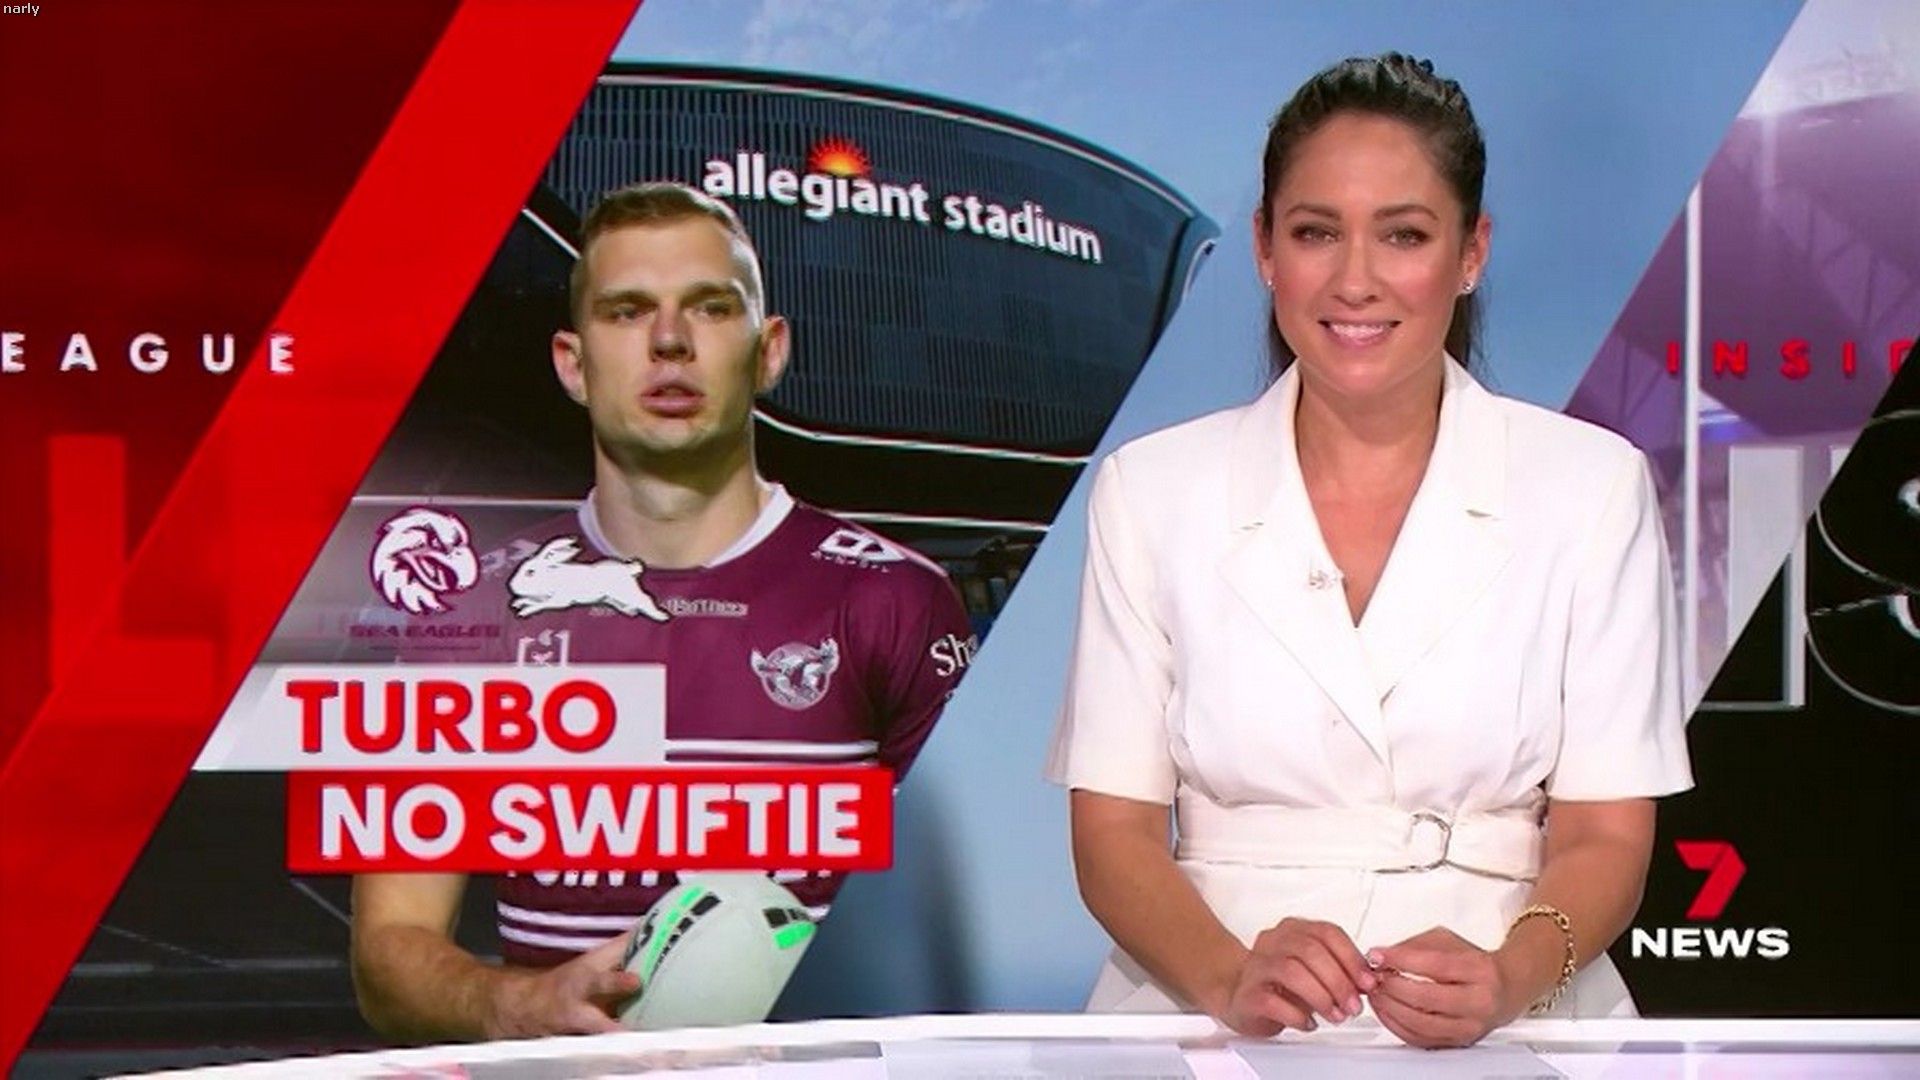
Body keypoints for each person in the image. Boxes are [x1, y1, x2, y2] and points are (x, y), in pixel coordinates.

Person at [1045, 54, 1690, 1049]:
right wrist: (1228, 976)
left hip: (1508, 1017)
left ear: (1471, 253)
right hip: (1206, 1009)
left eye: (1403, 235)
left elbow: (1607, 834)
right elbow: (1113, 832)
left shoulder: (1592, 487)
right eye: (1315, 233)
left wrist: (1508, 979)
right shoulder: (1152, 489)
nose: (1355, 280)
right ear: (1265, 249)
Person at [351, 182, 974, 1040]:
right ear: (573, 364)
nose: (670, 341)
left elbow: (971, 932)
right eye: (628, 311)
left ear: (769, 351)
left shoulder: (894, 601)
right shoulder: (472, 616)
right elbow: (388, 951)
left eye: (710, 308)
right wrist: (516, 1003)